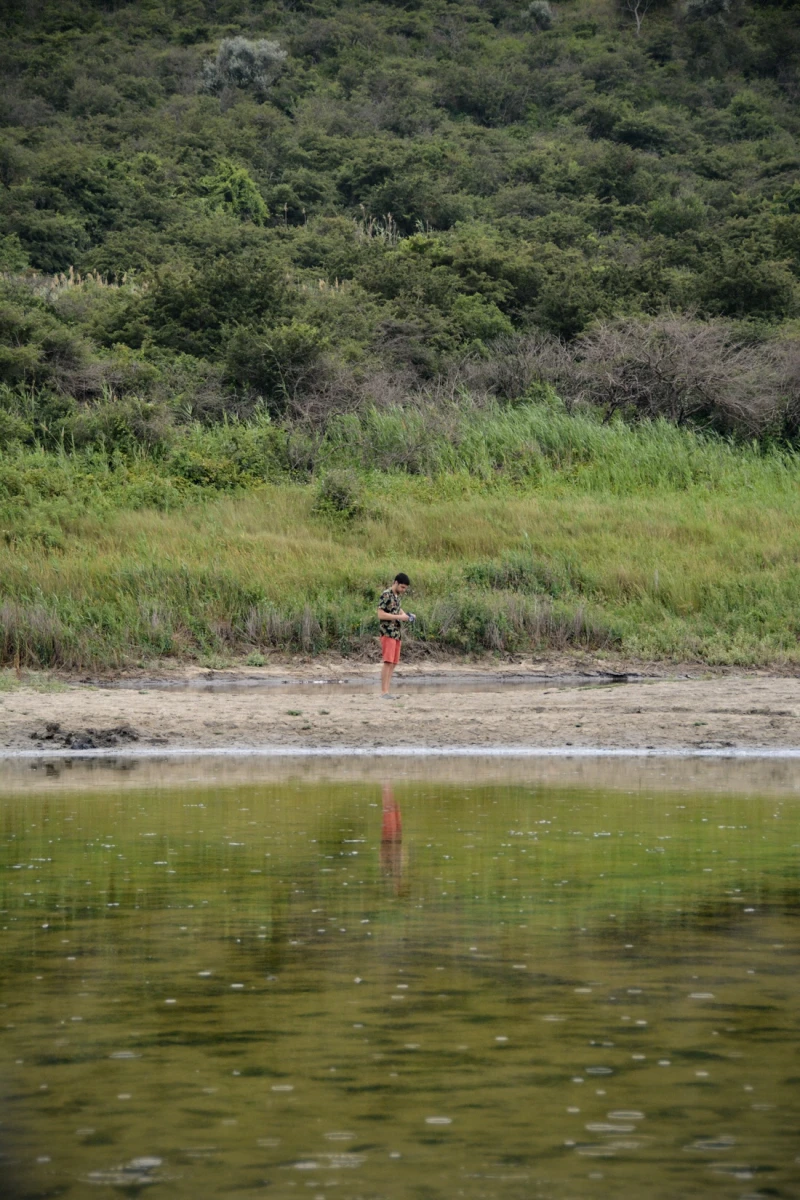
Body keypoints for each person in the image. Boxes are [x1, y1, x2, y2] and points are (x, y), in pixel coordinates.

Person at [377, 572, 414, 696]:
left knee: (393, 663)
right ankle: (384, 692)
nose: (403, 590)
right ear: (396, 583)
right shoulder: (386, 594)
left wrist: (406, 615)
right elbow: (380, 614)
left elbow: (397, 609)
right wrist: (399, 617)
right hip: (387, 632)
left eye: (405, 588)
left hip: (396, 633)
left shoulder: (397, 596)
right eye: (402, 587)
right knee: (388, 662)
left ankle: (387, 691)